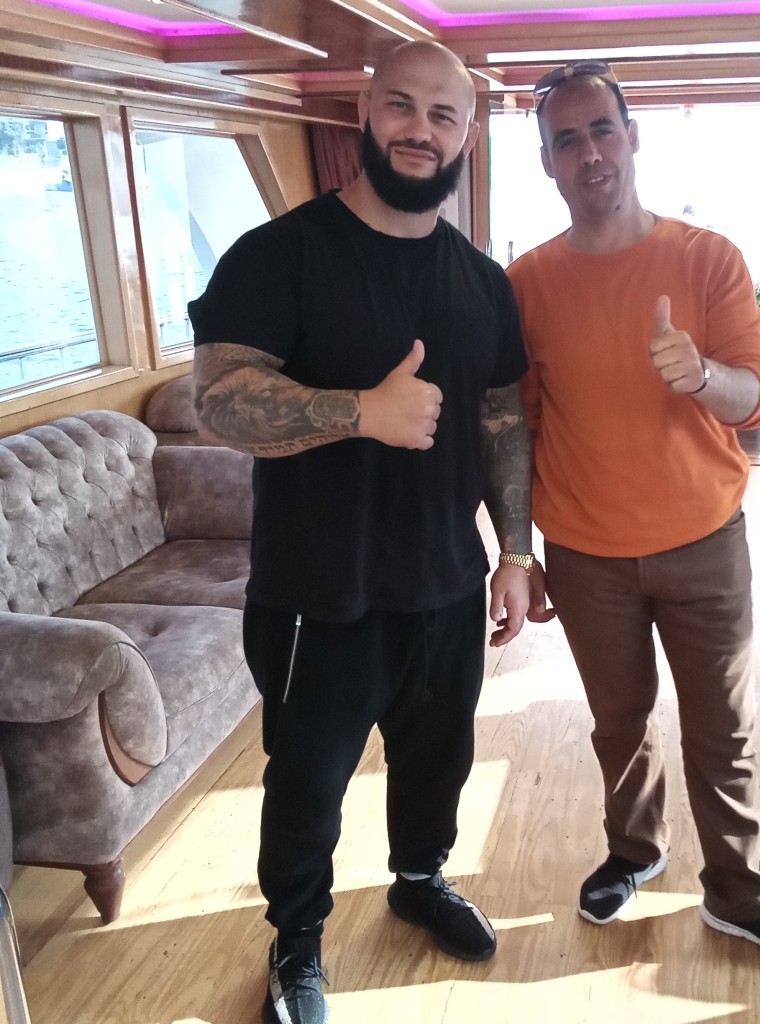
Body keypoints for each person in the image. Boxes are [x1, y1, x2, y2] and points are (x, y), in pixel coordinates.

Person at [188, 41, 535, 1024]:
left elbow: (502, 419)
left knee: (439, 758)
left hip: (447, 581)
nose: (421, 130)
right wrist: (359, 412)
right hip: (316, 587)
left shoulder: (482, 280)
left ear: (467, 134)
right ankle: (296, 942)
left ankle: (419, 879)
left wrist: (515, 551)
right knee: (308, 783)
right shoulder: (278, 255)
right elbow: (218, 399)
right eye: (401, 106)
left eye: (443, 114)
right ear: (363, 113)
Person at [508, 60, 760, 977]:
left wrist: (701, 377)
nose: (589, 153)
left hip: (704, 542)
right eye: (566, 139)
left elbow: (758, 395)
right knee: (619, 722)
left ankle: (739, 893)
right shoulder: (526, 282)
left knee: (723, 731)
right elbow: (518, 425)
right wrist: (519, 553)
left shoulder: (706, 258)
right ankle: (634, 850)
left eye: (602, 130)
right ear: (547, 162)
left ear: (632, 136)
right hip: (585, 554)